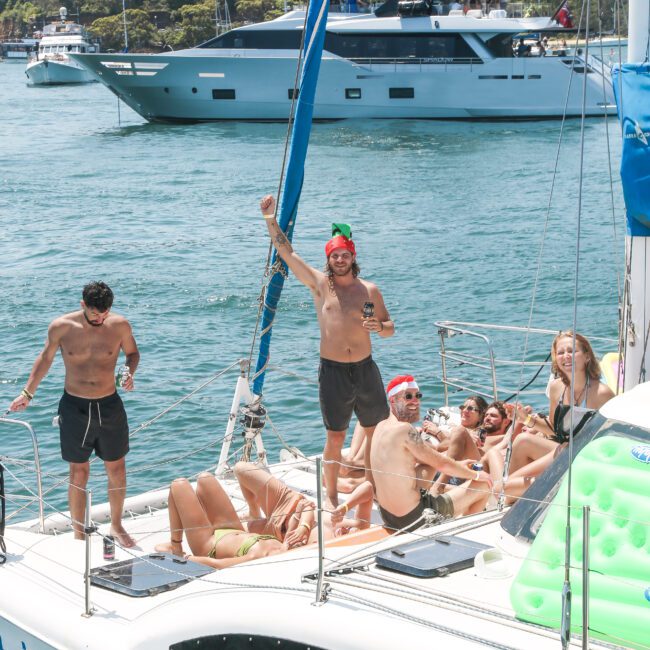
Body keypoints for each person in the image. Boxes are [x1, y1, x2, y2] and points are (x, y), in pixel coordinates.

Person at [260, 195, 394, 508]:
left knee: (375, 434)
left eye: (344, 255)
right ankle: (331, 496)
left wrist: (380, 327)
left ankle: (371, 490)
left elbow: (390, 327)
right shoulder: (320, 285)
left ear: (353, 256)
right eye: (335, 256)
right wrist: (269, 219)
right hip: (333, 372)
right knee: (335, 437)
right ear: (329, 259)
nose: (339, 260)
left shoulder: (369, 290)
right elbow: (286, 252)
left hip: (365, 368)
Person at [8, 281, 139, 546]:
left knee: (118, 469)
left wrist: (128, 372)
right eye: (95, 314)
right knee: (78, 472)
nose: (100, 319)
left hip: (109, 405)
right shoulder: (62, 327)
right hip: (75, 407)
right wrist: (27, 393)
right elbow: (45, 359)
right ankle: (79, 533)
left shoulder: (120, 325)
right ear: (83, 305)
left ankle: (116, 525)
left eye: (104, 314)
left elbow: (132, 353)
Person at [155, 464, 374, 568]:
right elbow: (367, 490)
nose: (348, 530)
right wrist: (343, 512)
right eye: (351, 530)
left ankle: (175, 546)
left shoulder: (273, 556)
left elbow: (222, 565)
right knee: (204, 478)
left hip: (210, 543)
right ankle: (173, 544)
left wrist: (190, 559)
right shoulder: (290, 545)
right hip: (236, 530)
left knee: (179, 485)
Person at [488, 331, 615, 502]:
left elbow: (611, 438)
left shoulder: (602, 393)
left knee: (501, 489)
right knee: (522, 440)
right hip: (562, 451)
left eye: (572, 351)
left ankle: (523, 492)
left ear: (587, 356)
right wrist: (524, 418)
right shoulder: (557, 388)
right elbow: (553, 428)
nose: (566, 356)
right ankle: (518, 495)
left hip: (583, 460)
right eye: (561, 352)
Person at [370, 375, 492, 533]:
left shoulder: (381, 426)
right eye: (408, 396)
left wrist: (459, 465)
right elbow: (443, 464)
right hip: (414, 518)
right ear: (393, 400)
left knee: (430, 459)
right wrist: (475, 475)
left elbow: (433, 457)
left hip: (388, 516)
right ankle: (466, 534)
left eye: (417, 395)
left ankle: (439, 496)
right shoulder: (404, 429)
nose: (415, 401)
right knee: (484, 485)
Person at [425, 395, 488, 487]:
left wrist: (438, 432)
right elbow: (441, 447)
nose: (465, 410)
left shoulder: (479, 433)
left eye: (470, 408)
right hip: (442, 469)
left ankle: (439, 486)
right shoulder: (459, 430)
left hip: (458, 475)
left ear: (480, 416)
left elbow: (441, 447)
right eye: (463, 407)